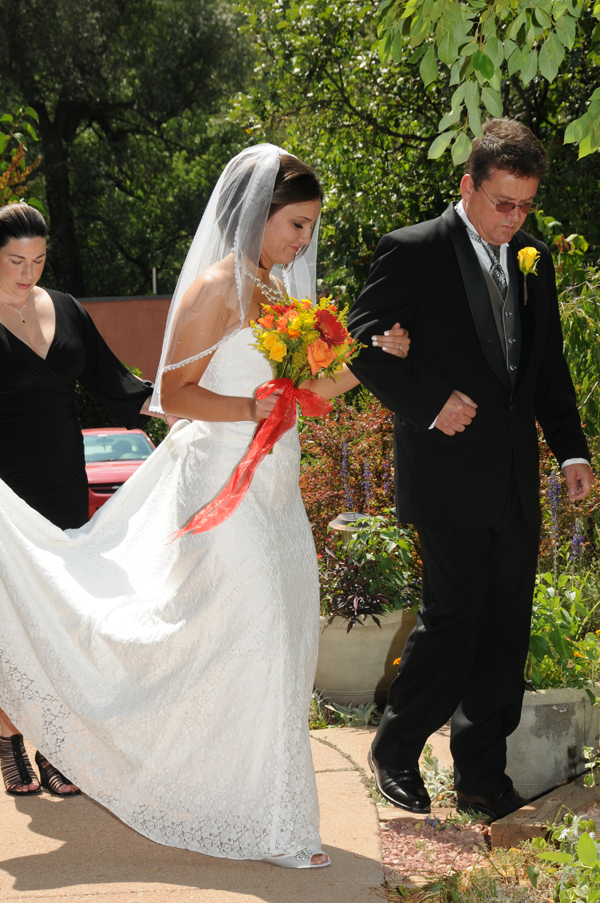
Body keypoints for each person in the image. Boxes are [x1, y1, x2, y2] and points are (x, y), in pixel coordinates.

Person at [0, 145, 408, 867]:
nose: (303, 241)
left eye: (311, 228)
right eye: (296, 224)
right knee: (259, 636)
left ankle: (246, 805)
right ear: (258, 215)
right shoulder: (215, 288)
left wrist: (372, 357)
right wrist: (250, 409)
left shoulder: (278, 293)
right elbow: (178, 393)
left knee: (276, 642)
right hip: (222, 484)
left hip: (274, 485)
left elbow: (301, 397)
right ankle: (274, 826)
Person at [347, 119, 592, 822]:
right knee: (454, 618)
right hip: (445, 471)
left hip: (513, 478)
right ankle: (397, 749)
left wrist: (571, 450)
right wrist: (429, 400)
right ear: (468, 185)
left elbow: (546, 368)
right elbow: (359, 343)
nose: (514, 219)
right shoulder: (412, 250)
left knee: (506, 626)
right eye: (502, 203)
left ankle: (482, 778)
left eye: (525, 206)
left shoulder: (533, 259)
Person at [0, 202, 162, 798]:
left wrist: (182, 408)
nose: (28, 273)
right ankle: (8, 736)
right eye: (15, 261)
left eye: (39, 260)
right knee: (9, 622)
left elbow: (115, 383)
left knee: (61, 620)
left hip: (65, 487)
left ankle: (55, 743)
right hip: (4, 496)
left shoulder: (65, 307)